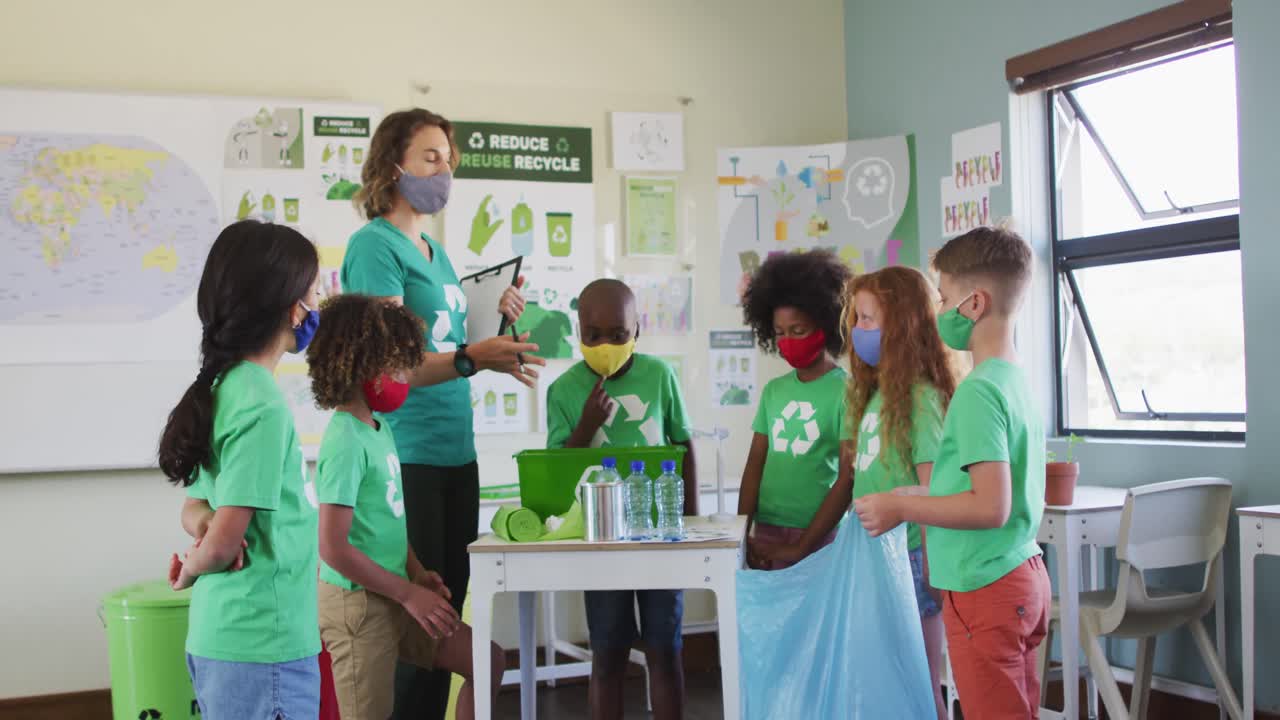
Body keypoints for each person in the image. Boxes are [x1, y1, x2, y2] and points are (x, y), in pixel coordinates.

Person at [340, 108, 540, 718]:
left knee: (445, 611)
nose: (443, 170)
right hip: (410, 456)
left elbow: (454, 343)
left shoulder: (436, 251)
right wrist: (472, 357)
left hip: (457, 451)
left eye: (449, 159)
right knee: (419, 629)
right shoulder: (375, 246)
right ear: (391, 164)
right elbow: (393, 366)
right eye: (430, 157)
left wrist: (491, 324)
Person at [854, 226, 1051, 719]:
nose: (938, 312)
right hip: (1021, 574)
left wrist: (901, 505)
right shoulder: (1014, 379)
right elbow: (978, 487)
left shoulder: (978, 392)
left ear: (974, 304)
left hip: (984, 585)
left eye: (943, 299)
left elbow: (990, 505)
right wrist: (919, 492)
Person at [306, 294, 504, 720]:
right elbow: (333, 548)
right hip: (359, 604)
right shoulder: (344, 439)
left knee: (486, 659)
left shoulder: (380, 429)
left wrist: (415, 571)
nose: (403, 376)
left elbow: (388, 522)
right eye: (395, 365)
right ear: (359, 366)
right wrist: (407, 592)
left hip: (396, 591)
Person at [771, 265, 956, 718]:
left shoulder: (922, 399)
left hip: (912, 560)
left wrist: (934, 568)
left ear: (905, 324)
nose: (857, 331)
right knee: (881, 679)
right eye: (855, 320)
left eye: (867, 319)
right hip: (873, 558)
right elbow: (856, 477)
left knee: (919, 681)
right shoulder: (870, 396)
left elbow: (935, 491)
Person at [160, 220, 323, 720]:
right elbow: (228, 541)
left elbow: (196, 506)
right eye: (313, 295)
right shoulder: (262, 404)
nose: (315, 309)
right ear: (292, 308)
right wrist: (192, 566)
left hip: (226, 638)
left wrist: (206, 530)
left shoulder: (223, 387)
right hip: (263, 643)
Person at [545, 279, 697, 720]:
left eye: (619, 333)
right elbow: (557, 471)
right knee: (608, 651)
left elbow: (684, 445)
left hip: (659, 533)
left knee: (664, 647)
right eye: (594, 334)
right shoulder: (565, 390)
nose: (606, 344)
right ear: (579, 332)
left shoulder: (660, 375)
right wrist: (586, 425)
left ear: (637, 331)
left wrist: (690, 522)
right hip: (601, 536)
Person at [736, 250, 852, 570]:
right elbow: (755, 464)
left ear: (826, 324)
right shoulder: (774, 391)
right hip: (767, 528)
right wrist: (740, 533)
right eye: (780, 333)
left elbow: (848, 477)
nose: (788, 341)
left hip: (819, 532)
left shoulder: (848, 391)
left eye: (798, 330)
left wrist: (803, 545)